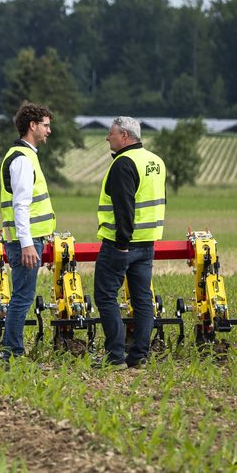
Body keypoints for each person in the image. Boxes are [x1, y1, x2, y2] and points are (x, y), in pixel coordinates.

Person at [93, 116, 166, 370]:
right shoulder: (156, 162)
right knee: (142, 298)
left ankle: (114, 356)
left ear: (124, 136)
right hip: (148, 242)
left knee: (104, 296)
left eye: (111, 133)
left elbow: (124, 206)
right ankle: (140, 356)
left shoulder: (124, 163)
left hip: (121, 243)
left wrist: (122, 242)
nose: (107, 137)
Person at [0, 102, 55, 363]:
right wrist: (28, 244)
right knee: (22, 297)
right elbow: (21, 206)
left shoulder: (26, 155)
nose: (48, 131)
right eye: (45, 125)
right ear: (32, 126)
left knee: (22, 295)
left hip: (27, 240)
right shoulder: (21, 159)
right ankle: (11, 351)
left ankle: (11, 349)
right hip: (25, 243)